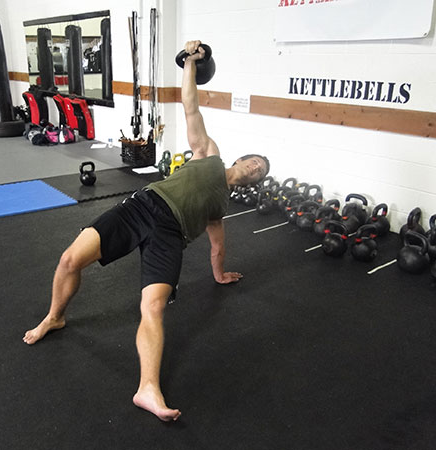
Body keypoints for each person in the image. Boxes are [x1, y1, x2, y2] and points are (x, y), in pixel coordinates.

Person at [23, 40, 270, 422]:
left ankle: (147, 389)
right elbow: (191, 105)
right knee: (70, 259)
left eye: (261, 170)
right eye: (255, 161)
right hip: (142, 207)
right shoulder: (209, 153)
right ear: (240, 158)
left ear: (254, 184)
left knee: (152, 306)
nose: (256, 167)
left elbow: (217, 246)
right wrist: (189, 62)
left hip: (170, 236)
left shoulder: (221, 209)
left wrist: (219, 275)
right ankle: (55, 316)